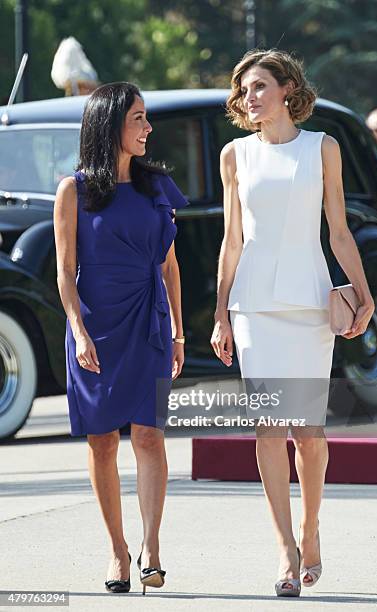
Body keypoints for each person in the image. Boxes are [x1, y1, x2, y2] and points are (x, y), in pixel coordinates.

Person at [211, 49, 374, 597]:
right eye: (243, 91)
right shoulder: (235, 155)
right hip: (253, 305)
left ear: (286, 90)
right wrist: (220, 314)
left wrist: (365, 294)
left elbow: (339, 230)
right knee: (268, 427)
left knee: (308, 432)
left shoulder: (322, 149)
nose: (249, 98)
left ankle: (311, 528)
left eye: (259, 86)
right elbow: (231, 240)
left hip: (308, 303)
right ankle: (285, 549)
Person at [53, 82, 189, 595]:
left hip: (148, 322)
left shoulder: (156, 186)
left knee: (149, 435)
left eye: (146, 118)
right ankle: (117, 550)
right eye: (138, 118)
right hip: (95, 328)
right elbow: (66, 271)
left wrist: (178, 329)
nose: (148, 128)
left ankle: (151, 545)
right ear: (110, 124)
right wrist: (77, 329)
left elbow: (170, 264)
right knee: (102, 439)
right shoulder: (75, 190)